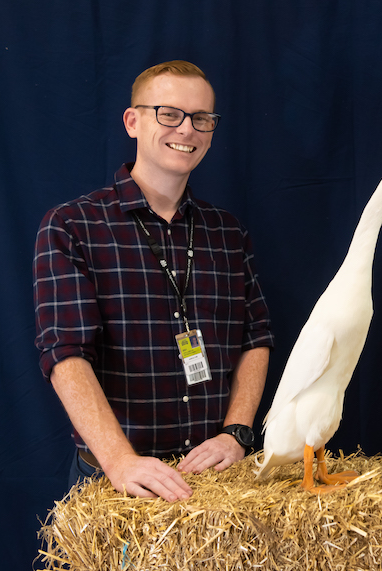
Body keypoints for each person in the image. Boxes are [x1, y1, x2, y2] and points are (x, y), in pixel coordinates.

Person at [34, 60, 274, 502]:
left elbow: (256, 339)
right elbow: (65, 355)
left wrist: (236, 433)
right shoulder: (71, 226)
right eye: (169, 113)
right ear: (133, 121)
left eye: (201, 118)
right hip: (117, 485)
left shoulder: (227, 232)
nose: (187, 130)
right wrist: (119, 461)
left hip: (214, 480)